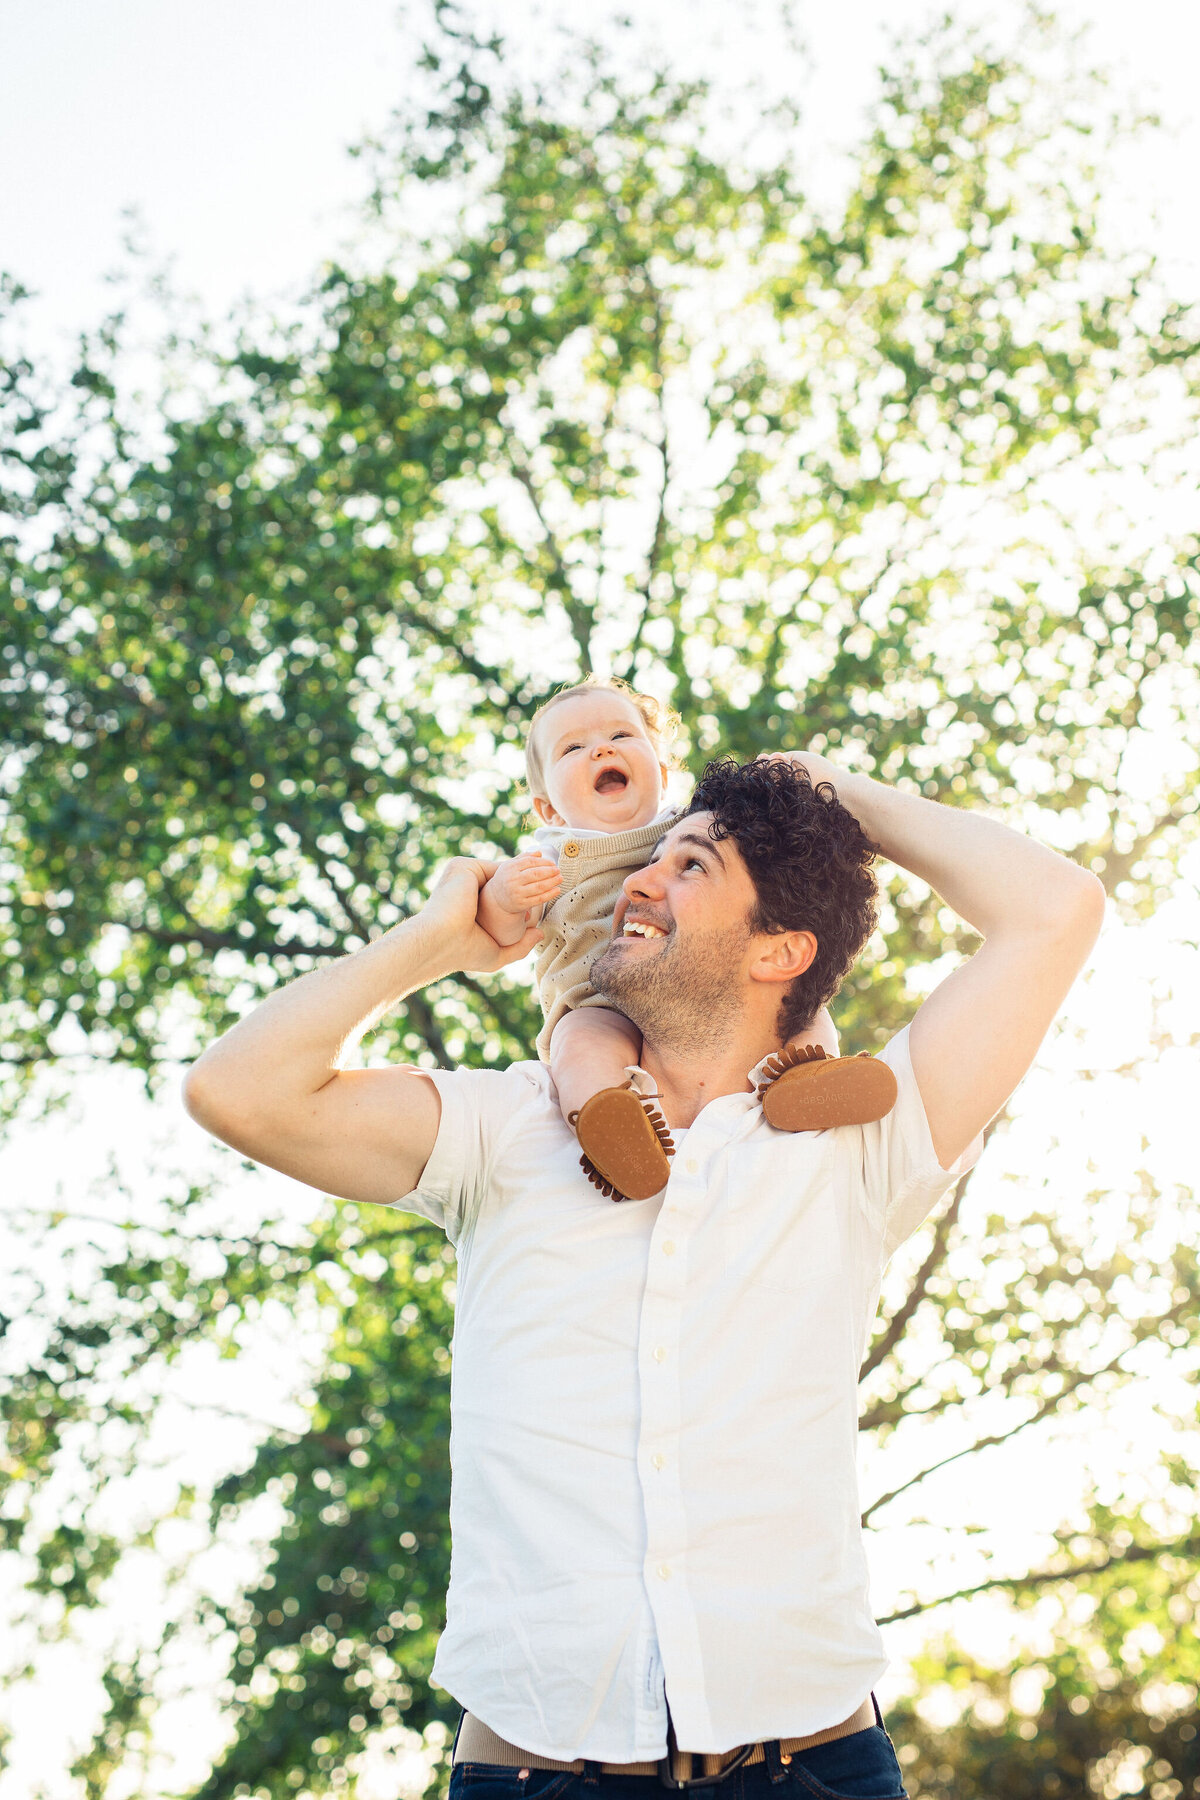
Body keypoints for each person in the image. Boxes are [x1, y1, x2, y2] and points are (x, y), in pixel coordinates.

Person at [182, 749, 1105, 1800]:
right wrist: (441, 936)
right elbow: (235, 1092)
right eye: (652, 860)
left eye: (693, 865)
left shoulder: (862, 1140)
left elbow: (1057, 909)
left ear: (781, 952)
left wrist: (829, 789)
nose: (638, 880)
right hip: (540, 1774)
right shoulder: (503, 1126)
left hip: (815, 1768)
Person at [475, 676, 895, 1201]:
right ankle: (610, 1125)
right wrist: (504, 898)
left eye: (622, 736)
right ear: (549, 810)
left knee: (801, 1005)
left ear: (663, 771)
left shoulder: (691, 824)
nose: (601, 748)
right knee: (580, 1045)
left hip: (698, 985)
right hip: (596, 998)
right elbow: (495, 934)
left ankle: (809, 1078)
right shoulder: (550, 858)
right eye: (574, 748)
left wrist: (804, 780)